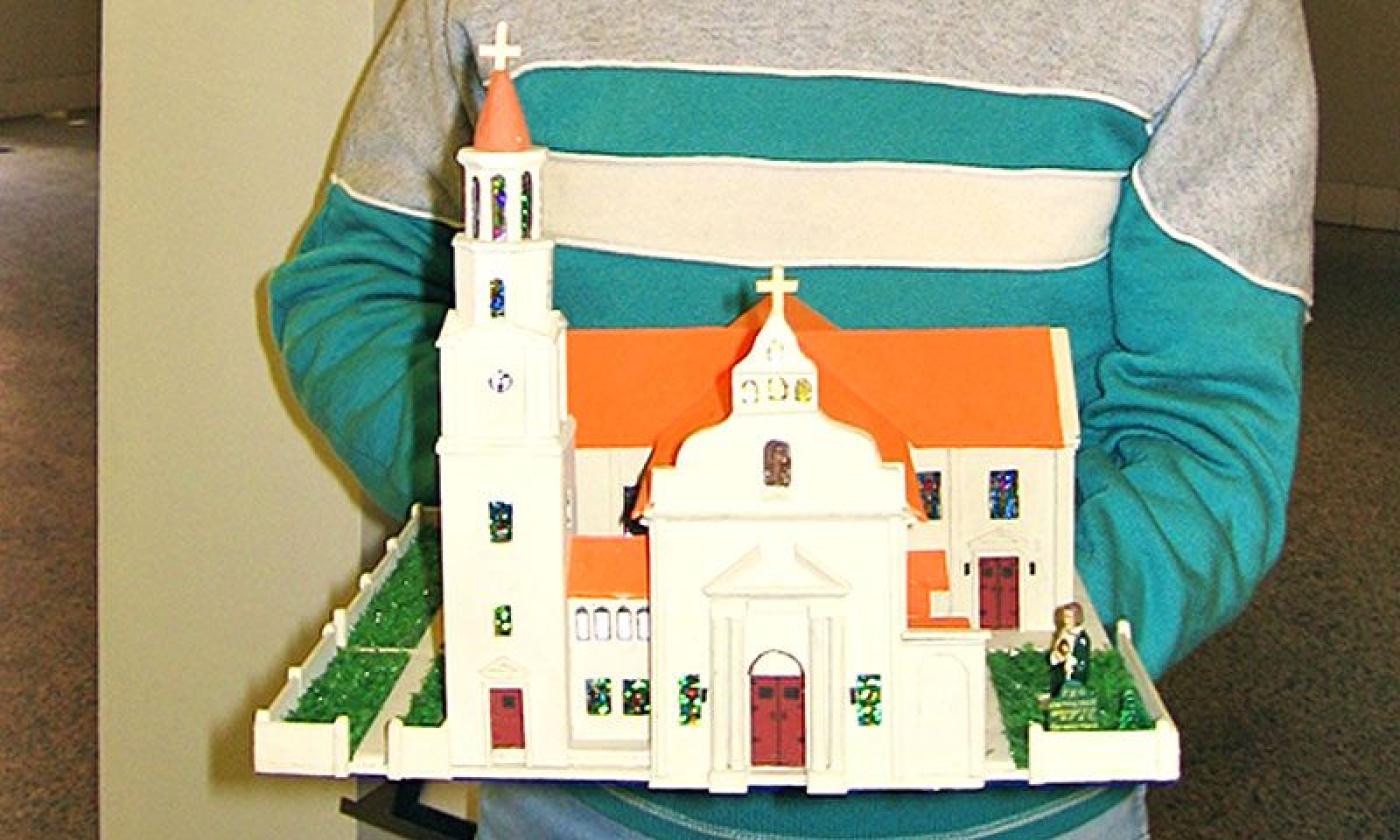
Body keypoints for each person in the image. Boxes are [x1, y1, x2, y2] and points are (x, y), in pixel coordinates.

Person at [268, 1, 1315, 836]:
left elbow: (1207, 429)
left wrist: (976, 664)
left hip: (1017, 816)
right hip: (587, 805)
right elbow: (353, 284)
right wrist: (519, 518)